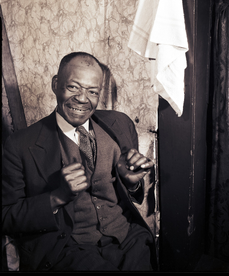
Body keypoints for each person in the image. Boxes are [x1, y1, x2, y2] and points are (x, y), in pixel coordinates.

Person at [2, 52, 157, 271]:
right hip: (66, 247)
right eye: (73, 87)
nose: (83, 98)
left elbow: (131, 193)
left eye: (92, 91)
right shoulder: (19, 145)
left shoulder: (120, 124)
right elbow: (6, 216)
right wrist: (57, 197)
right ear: (56, 84)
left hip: (126, 238)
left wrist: (131, 183)